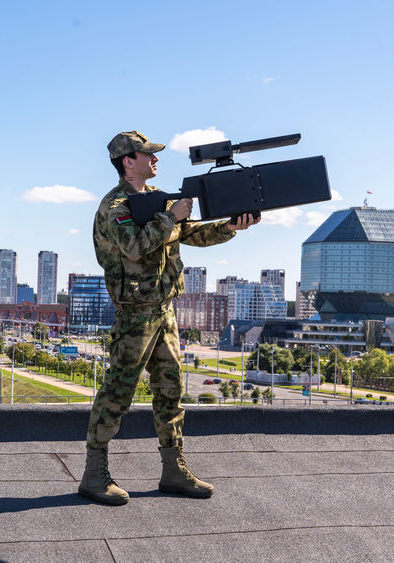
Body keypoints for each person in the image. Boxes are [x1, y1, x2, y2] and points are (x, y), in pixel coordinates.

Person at [79, 130, 259, 505]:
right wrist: (168, 216)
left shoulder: (156, 202)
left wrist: (229, 227)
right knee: (118, 392)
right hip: (135, 315)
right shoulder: (115, 207)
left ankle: (173, 471)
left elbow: (192, 233)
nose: (155, 159)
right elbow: (133, 248)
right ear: (128, 161)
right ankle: (94, 475)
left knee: (171, 391)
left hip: (165, 311)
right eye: (147, 154)